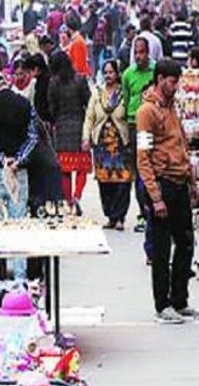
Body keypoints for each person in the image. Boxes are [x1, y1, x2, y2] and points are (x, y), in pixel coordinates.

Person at [136, 58, 198, 324]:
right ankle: (162, 304)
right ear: (160, 79)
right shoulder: (146, 112)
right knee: (161, 250)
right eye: (172, 82)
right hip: (161, 185)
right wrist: (155, 195)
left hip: (180, 182)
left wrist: (192, 181)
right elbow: (143, 156)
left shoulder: (172, 108)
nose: (176, 86)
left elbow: (182, 144)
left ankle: (180, 300)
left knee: (186, 243)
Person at [0, 70, 39, 280]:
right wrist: (16, 160)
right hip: (18, 174)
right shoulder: (24, 104)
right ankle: (20, 278)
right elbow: (32, 138)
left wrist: (1, 159)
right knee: (18, 224)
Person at [83, 59, 132, 230]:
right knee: (104, 181)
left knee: (123, 181)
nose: (108, 75)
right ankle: (110, 215)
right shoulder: (97, 93)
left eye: (111, 72)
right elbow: (90, 116)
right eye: (106, 72)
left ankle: (120, 217)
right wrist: (86, 137)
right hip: (102, 145)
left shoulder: (124, 93)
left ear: (117, 74)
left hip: (120, 144)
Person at [47, 51, 92, 207]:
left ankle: (69, 202)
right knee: (82, 167)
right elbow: (89, 102)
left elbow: (52, 108)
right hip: (79, 125)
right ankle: (77, 195)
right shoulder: (80, 80)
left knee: (65, 169)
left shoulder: (53, 83)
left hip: (61, 127)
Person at [122, 37, 155, 240]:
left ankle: (153, 206)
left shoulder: (155, 71)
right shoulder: (128, 74)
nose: (139, 56)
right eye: (136, 52)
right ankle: (143, 211)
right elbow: (126, 101)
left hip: (152, 126)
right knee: (140, 168)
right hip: (136, 126)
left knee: (152, 166)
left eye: (142, 52)